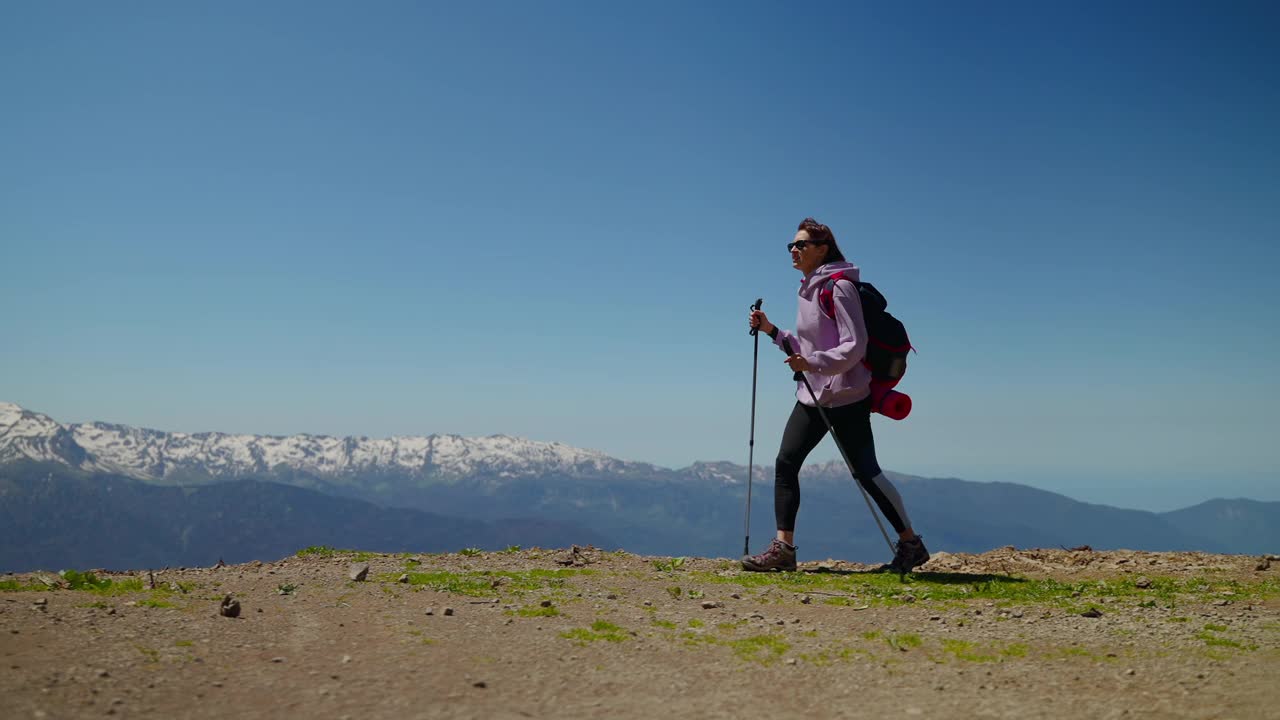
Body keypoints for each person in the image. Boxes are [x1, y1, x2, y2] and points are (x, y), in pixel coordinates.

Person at [743, 217, 929, 574]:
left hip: (846, 396)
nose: (793, 251)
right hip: (813, 395)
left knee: (866, 473)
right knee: (786, 463)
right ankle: (783, 548)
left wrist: (811, 362)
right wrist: (770, 330)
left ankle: (910, 544)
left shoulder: (838, 288)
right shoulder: (808, 289)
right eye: (791, 246)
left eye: (801, 245)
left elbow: (854, 347)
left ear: (822, 249)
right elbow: (807, 346)